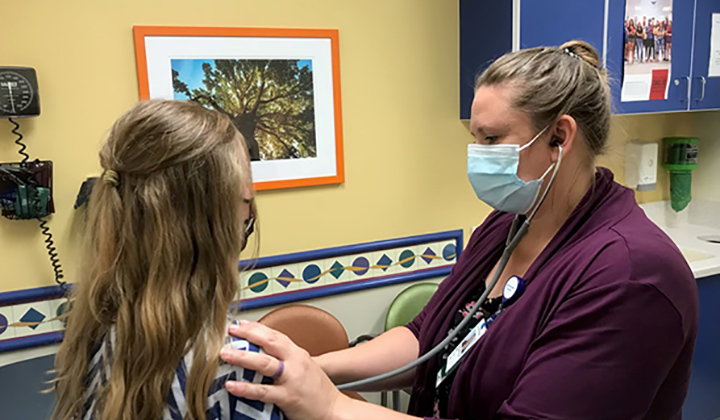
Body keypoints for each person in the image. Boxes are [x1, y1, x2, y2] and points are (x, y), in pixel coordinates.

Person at [220, 40, 699, 420]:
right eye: (474, 137)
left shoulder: (631, 275)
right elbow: (428, 336)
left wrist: (331, 407)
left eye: (492, 139)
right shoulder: (508, 225)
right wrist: (313, 371)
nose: (477, 154)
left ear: (559, 137)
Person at [52, 100, 284, 420]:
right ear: (215, 226)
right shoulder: (237, 368)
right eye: (245, 199)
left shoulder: (98, 332)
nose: (249, 210)